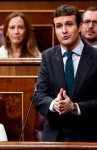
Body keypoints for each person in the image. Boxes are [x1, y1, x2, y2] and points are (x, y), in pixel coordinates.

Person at [32, 4, 97, 142]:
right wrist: (53, 104)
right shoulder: (47, 56)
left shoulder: (95, 57)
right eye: (59, 26)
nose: (64, 31)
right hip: (55, 136)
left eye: (69, 24)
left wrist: (74, 107)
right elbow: (39, 95)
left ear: (79, 26)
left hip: (88, 136)